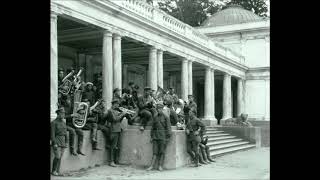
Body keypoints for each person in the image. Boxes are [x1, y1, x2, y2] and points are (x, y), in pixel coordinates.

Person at [147, 101, 172, 171]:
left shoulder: (166, 117)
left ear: (162, 109)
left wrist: (168, 137)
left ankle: (160, 166)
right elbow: (153, 128)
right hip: (155, 137)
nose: (159, 110)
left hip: (163, 137)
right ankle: (151, 166)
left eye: (160, 108)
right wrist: (151, 136)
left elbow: (168, 128)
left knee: (162, 152)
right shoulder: (155, 117)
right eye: (158, 109)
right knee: (154, 152)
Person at [105, 99, 129, 167]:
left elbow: (119, 120)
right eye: (117, 104)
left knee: (117, 146)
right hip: (113, 130)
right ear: (114, 104)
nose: (118, 105)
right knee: (113, 146)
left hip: (118, 129)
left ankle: (116, 160)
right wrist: (122, 114)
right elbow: (115, 119)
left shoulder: (116, 111)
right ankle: (111, 161)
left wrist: (123, 115)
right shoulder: (110, 111)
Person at [51, 108, 68, 176]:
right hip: (57, 141)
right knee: (57, 156)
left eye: (64, 113)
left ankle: (58, 171)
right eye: (61, 113)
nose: (63, 115)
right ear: (58, 114)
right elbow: (52, 134)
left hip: (63, 141)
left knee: (60, 157)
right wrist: (54, 143)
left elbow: (65, 133)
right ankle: (53, 171)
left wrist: (66, 142)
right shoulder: (53, 123)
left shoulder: (64, 122)